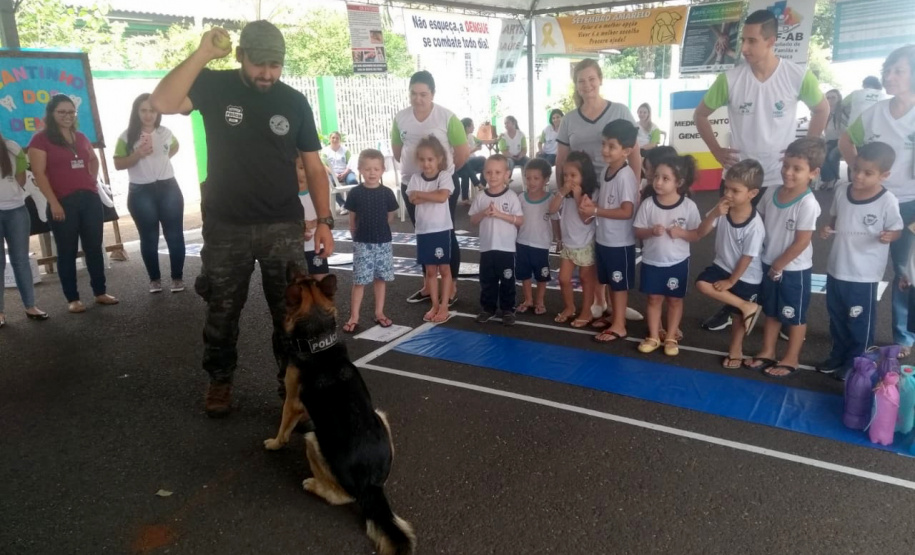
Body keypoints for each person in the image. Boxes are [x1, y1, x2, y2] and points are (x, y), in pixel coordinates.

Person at [149, 21, 334, 417]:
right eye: (259, 64)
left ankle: (292, 392)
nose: (267, 73)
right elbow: (162, 101)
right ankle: (220, 381)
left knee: (291, 314)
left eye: (276, 65)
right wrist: (202, 54)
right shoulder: (214, 86)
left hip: (282, 226)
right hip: (225, 225)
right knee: (221, 310)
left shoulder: (295, 101)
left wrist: (324, 220)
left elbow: (314, 167)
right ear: (239, 56)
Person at [693, 9, 829, 333]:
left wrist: (805, 149)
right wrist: (715, 151)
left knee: (776, 247)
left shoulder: (796, 74)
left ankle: (779, 311)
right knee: (732, 244)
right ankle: (731, 306)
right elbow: (701, 116)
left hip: (782, 179)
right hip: (743, 179)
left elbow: (822, 108)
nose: (745, 47)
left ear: (771, 40)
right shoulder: (730, 79)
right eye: (744, 40)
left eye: (753, 40)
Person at [840, 44, 915, 358]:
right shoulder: (873, 113)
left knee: (904, 272)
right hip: (872, 202)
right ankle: (857, 330)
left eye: (899, 70)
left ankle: (903, 338)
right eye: (888, 70)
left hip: (909, 202)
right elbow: (846, 141)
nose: (890, 76)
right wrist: (861, 174)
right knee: (861, 265)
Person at [28, 94, 119, 314]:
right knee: (67, 251)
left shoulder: (80, 136)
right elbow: (39, 174)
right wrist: (54, 203)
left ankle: (100, 292)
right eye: (62, 112)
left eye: (71, 112)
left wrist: (90, 179)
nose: (67, 116)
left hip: (89, 198)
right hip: (62, 202)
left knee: (94, 248)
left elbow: (93, 159)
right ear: (51, 114)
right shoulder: (40, 140)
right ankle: (73, 299)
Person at [819, 142, 902, 378]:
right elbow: (835, 218)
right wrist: (828, 228)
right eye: (856, 169)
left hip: (864, 275)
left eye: (868, 173)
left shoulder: (887, 200)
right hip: (836, 268)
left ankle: (858, 363)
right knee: (836, 317)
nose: (859, 176)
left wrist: (890, 236)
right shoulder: (841, 191)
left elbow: (896, 229)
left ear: (884, 175)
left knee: (859, 322)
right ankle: (838, 355)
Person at [745, 138, 825, 378]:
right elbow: (757, 222)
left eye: (797, 169)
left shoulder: (808, 203)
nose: (788, 173)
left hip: (793, 270)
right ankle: (767, 351)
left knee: (794, 315)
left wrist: (779, 264)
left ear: (813, 173)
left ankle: (792, 357)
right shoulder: (771, 192)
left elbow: (801, 241)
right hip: (769, 263)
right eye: (786, 165)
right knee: (771, 311)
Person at [391, 70, 469, 305]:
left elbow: (462, 154)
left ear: (433, 94)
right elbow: (397, 151)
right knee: (423, 232)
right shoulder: (401, 118)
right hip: (411, 185)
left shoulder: (446, 117)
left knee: (446, 232)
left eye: (423, 94)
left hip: (440, 186)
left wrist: (441, 176)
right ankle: (428, 284)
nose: (418, 99)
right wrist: (417, 177)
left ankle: (451, 285)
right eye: (413, 94)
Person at [693, 160, 766, 369]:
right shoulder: (723, 208)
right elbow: (701, 231)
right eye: (726, 188)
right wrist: (715, 214)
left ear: (752, 193)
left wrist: (731, 281)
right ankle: (747, 306)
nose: (728, 194)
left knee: (737, 320)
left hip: (746, 275)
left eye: (735, 191)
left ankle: (736, 350)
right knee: (702, 284)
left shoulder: (754, 225)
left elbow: (747, 257)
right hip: (722, 265)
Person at [113, 93, 186, 294]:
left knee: (175, 235)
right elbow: (118, 163)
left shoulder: (165, 132)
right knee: (149, 237)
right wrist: (137, 155)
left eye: (152, 110)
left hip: (168, 187)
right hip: (140, 191)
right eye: (143, 110)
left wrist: (164, 160)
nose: (148, 115)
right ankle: (154, 279)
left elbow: (175, 146)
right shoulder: (126, 136)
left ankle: (177, 278)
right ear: (136, 112)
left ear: (158, 112)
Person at [633, 155, 701, 356]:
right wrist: (650, 232)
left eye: (665, 178)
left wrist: (682, 233)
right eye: (656, 177)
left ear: (678, 182)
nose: (658, 182)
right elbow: (637, 231)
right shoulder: (648, 204)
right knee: (654, 298)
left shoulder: (688, 206)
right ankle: (654, 336)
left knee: (674, 300)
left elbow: (696, 234)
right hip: (652, 261)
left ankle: (670, 337)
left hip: (677, 262)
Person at [581, 119, 640, 344]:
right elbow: (604, 201)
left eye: (611, 146)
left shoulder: (625, 176)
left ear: (626, 150)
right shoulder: (607, 169)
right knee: (607, 280)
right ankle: (613, 316)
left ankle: (619, 326)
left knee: (619, 284)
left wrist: (595, 210)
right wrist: (591, 203)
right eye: (604, 144)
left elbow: (626, 211)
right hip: (605, 238)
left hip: (620, 242)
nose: (605, 150)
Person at [556, 59, 640, 186]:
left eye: (591, 79)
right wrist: (561, 192)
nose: (587, 84)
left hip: (616, 187)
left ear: (600, 80)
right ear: (576, 85)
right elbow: (561, 160)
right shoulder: (568, 119)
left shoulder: (620, 111)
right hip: (581, 189)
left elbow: (634, 153)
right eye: (581, 81)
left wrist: (635, 187)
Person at [342, 149, 400, 333]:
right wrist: (353, 230)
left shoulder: (387, 193)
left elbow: (391, 214)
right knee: (359, 280)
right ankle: (354, 316)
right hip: (362, 242)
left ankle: (379, 312)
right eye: (368, 169)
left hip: (383, 242)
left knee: (380, 279)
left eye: (376, 168)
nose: (372, 172)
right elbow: (351, 215)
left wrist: (382, 225)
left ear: (383, 170)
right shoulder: (355, 193)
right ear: (360, 170)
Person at [0, 133, 48, 327]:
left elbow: (21, 177)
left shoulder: (12, 146)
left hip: (17, 210)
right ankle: (0, 312)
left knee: (20, 260)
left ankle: (30, 306)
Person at [470, 154, 524, 326]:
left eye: (498, 172)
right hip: (487, 248)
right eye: (489, 172)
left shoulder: (511, 196)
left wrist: (499, 214)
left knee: (507, 279)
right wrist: (484, 213)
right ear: (484, 173)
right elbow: (472, 220)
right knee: (487, 280)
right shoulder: (481, 197)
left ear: (507, 175)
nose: (493, 176)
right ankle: (488, 308)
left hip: (506, 248)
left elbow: (520, 220)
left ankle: (508, 309)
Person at [406, 136, 454, 323]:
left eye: (430, 159)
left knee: (444, 269)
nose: (426, 164)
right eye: (422, 159)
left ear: (439, 159)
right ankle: (434, 304)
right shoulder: (415, 179)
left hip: (440, 230)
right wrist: (430, 195)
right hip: (423, 231)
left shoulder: (444, 176)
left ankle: (444, 306)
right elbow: (413, 199)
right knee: (431, 272)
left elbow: (443, 197)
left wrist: (422, 194)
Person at [548, 151, 598, 328]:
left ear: (584, 175)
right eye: (566, 175)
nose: (569, 179)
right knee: (563, 278)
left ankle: (586, 311)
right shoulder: (564, 194)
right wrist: (562, 192)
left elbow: (586, 219)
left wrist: (578, 197)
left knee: (586, 279)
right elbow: (552, 210)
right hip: (569, 244)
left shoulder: (591, 194)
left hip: (585, 244)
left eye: (573, 175)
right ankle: (569, 307)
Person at [516, 158, 557, 316]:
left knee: (542, 275)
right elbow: (517, 220)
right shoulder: (521, 198)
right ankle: (528, 299)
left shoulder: (551, 199)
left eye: (536, 178)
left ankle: (539, 300)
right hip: (522, 242)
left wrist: (559, 239)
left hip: (541, 244)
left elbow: (555, 220)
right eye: (528, 178)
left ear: (546, 180)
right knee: (524, 273)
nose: (531, 182)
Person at [296, 158, 328, 282]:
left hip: (315, 247)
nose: (299, 172)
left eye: (302, 168)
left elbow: (328, 218)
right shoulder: (287, 197)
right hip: (295, 248)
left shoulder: (317, 193)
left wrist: (313, 223)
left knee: (321, 281)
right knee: (299, 283)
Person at [321, 131, 356, 213]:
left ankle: (353, 204)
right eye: (333, 138)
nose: (335, 139)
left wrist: (345, 173)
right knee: (331, 184)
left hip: (346, 172)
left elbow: (350, 163)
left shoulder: (345, 150)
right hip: (332, 173)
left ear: (340, 139)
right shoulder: (325, 151)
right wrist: (334, 174)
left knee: (353, 181)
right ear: (330, 139)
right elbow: (323, 165)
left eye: (337, 138)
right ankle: (343, 205)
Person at [820, 89, 847, 188]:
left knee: (832, 156)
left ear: (839, 98)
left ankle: (832, 180)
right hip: (830, 141)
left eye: (833, 97)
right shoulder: (824, 112)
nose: (830, 99)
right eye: (828, 97)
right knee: (821, 156)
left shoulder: (845, 111)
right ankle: (829, 179)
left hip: (844, 141)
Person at [456, 117, 484, 206]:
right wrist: (475, 149)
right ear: (467, 127)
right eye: (472, 125)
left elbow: (481, 141)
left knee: (484, 164)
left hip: (469, 162)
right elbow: (462, 154)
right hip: (461, 163)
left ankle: (466, 198)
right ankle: (479, 184)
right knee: (468, 167)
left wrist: (495, 140)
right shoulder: (459, 138)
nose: (474, 127)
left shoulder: (471, 136)